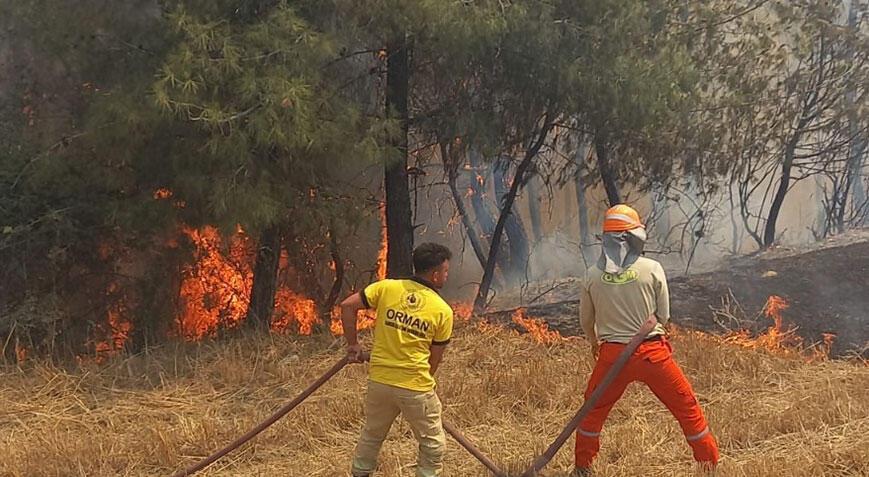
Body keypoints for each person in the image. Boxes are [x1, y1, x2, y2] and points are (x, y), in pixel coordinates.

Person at [573, 204, 719, 476]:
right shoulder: (652, 268)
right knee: (686, 406)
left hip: (612, 356)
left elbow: (585, 320)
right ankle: (709, 464)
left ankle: (583, 468)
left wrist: (594, 342)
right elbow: (663, 316)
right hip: (653, 354)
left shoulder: (592, 275)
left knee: (592, 411)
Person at [341, 242, 455, 477]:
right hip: (415, 386)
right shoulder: (442, 310)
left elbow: (347, 306)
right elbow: (434, 360)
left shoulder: (387, 288)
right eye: (445, 270)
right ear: (435, 275)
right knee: (433, 445)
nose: (447, 274)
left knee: (372, 436)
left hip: (379, 382)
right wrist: (418, 385)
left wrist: (353, 344)